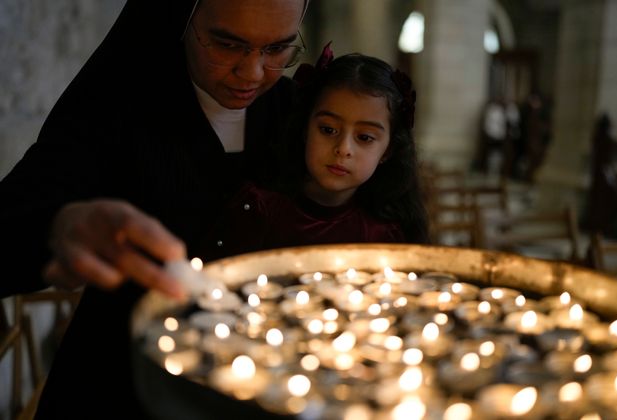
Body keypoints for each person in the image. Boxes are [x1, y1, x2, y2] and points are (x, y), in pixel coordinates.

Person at [0, 0, 309, 418]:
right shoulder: (117, 105)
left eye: (277, 50)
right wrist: (58, 225)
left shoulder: (298, 114)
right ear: (181, 17)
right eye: (226, 44)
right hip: (119, 390)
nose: (253, 73)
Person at [198, 47, 427, 261]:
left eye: (364, 137)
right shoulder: (258, 211)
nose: (343, 149)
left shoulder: (387, 233)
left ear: (387, 150)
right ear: (305, 129)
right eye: (328, 130)